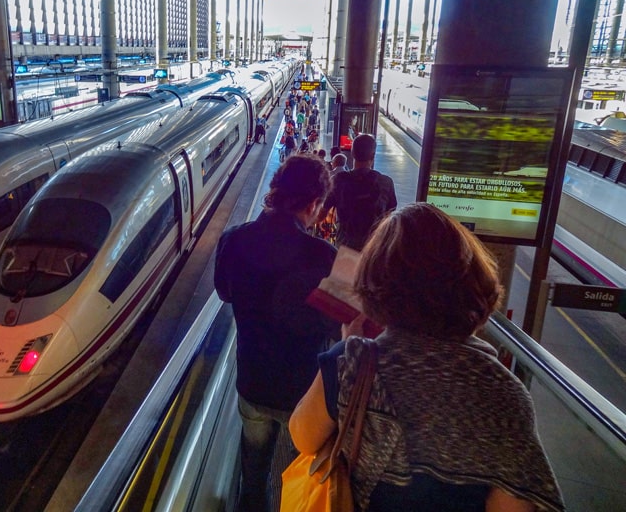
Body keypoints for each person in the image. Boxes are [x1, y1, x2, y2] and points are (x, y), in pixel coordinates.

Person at [289, 203, 564, 512]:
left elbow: (303, 437)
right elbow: (513, 506)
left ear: (377, 286)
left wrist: (353, 350)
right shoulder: (505, 393)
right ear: (472, 283)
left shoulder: (352, 363)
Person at [214, 155, 340, 512]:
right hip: (303, 394)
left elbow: (224, 292)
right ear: (314, 203)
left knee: (253, 469)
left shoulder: (233, 239)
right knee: (297, 474)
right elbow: (336, 325)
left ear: (275, 191)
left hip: (251, 381)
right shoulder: (323, 255)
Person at [321, 133, 397, 251]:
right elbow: (390, 218)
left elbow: (322, 213)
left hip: (345, 249)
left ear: (352, 153)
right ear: (373, 155)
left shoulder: (339, 180)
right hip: (373, 250)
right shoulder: (386, 183)